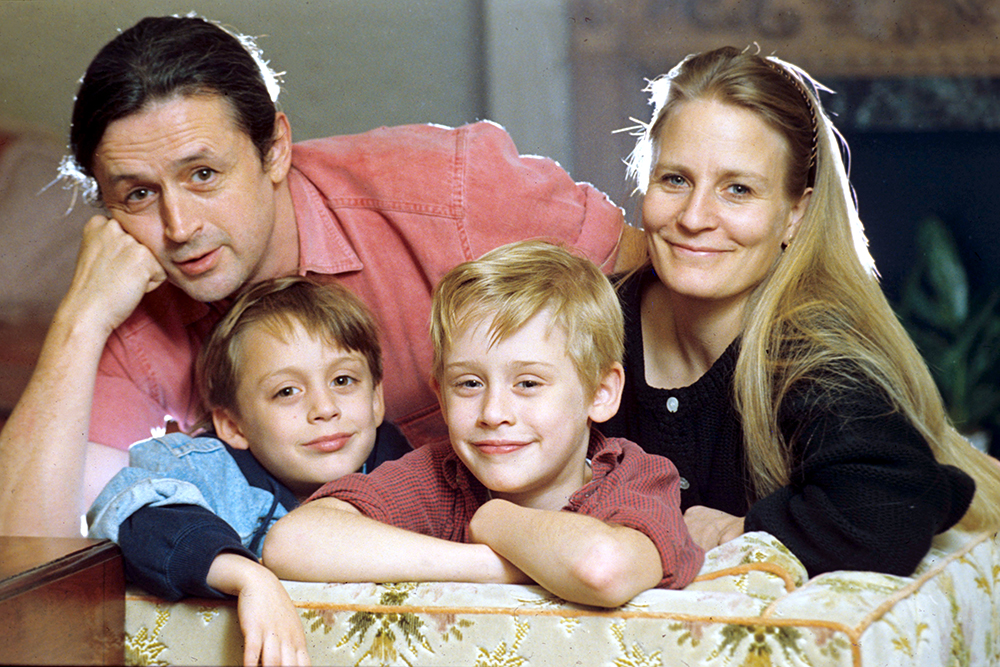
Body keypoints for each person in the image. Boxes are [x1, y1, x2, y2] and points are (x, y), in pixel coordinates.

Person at [0, 15, 641, 538]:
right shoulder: (134, 313)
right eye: (137, 194)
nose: (179, 227)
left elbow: (669, 279)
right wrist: (79, 318)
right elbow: (24, 554)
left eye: (203, 175)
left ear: (275, 148)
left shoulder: (444, 192)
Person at [598, 46, 1000, 577]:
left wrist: (735, 530)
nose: (695, 217)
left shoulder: (812, 350)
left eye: (737, 189)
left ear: (795, 215)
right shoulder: (590, 318)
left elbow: (888, 514)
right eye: (675, 180)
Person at [262, 241, 704, 607]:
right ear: (440, 392)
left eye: (528, 383)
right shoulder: (441, 473)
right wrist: (490, 565)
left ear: (600, 392)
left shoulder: (635, 477)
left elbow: (600, 569)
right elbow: (292, 542)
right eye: (469, 383)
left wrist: (493, 519)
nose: (493, 413)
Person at [87, 276, 410, 667]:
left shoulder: (405, 467)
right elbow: (135, 513)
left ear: (376, 400)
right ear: (234, 425)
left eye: (343, 380)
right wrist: (249, 578)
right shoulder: (201, 468)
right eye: (286, 391)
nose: (325, 408)